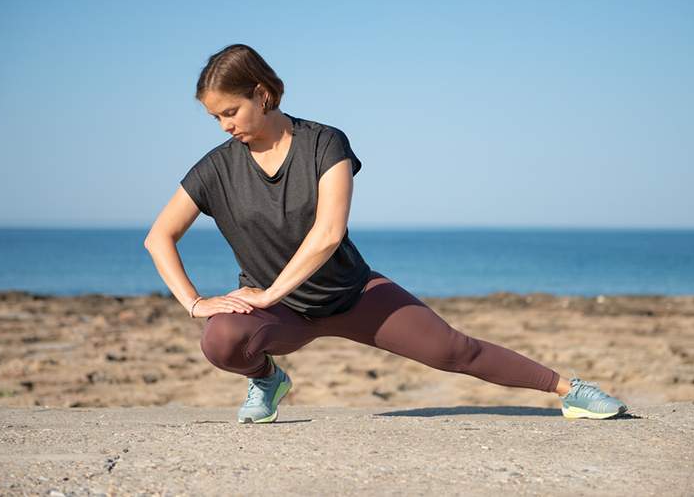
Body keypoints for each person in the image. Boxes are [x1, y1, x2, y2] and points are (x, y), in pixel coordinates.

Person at [144, 44, 628, 423]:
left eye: (231, 112)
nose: (225, 126)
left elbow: (328, 233)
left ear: (263, 94)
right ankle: (267, 380)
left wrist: (269, 292)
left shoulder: (323, 143)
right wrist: (194, 302)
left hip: (352, 295)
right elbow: (159, 236)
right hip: (282, 314)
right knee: (221, 338)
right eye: (215, 118)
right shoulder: (216, 169)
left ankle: (570, 390)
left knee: (454, 351)